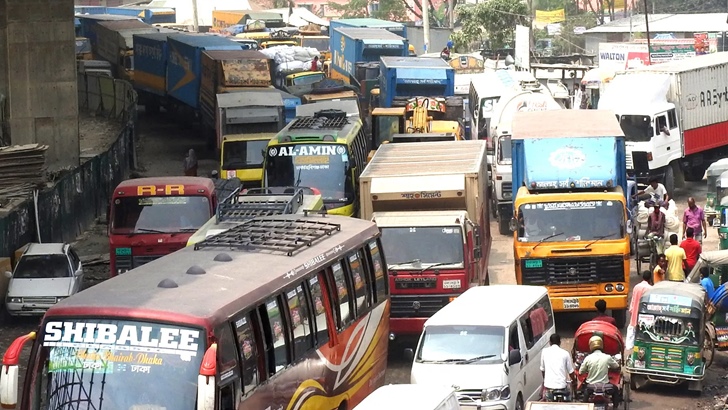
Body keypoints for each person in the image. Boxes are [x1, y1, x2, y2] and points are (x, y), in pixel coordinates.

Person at [580, 336, 620, 400]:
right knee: (615, 390)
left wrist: (588, 370)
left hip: (591, 386)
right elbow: (616, 366)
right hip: (605, 386)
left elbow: (581, 372)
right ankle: (615, 407)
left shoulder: (588, 358)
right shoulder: (607, 357)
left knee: (584, 393)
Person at [540, 333, 576, 402]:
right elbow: (571, 372)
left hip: (549, 386)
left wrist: (545, 379)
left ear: (550, 342)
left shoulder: (544, 352)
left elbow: (542, 369)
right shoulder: (565, 353)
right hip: (562, 387)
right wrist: (574, 381)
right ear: (560, 342)